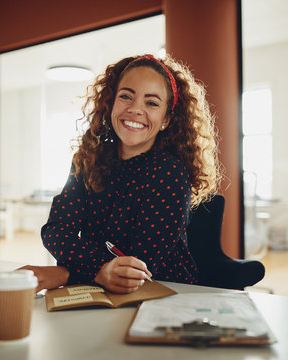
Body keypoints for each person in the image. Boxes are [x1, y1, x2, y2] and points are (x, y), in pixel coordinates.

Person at [21, 54, 222, 294]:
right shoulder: (88, 158)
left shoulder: (171, 173)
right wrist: (100, 271)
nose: (135, 109)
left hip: (164, 292)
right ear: (111, 103)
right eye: (126, 96)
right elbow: (56, 231)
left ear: (167, 119)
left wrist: (67, 273)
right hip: (98, 290)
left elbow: (139, 265)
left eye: (152, 103)